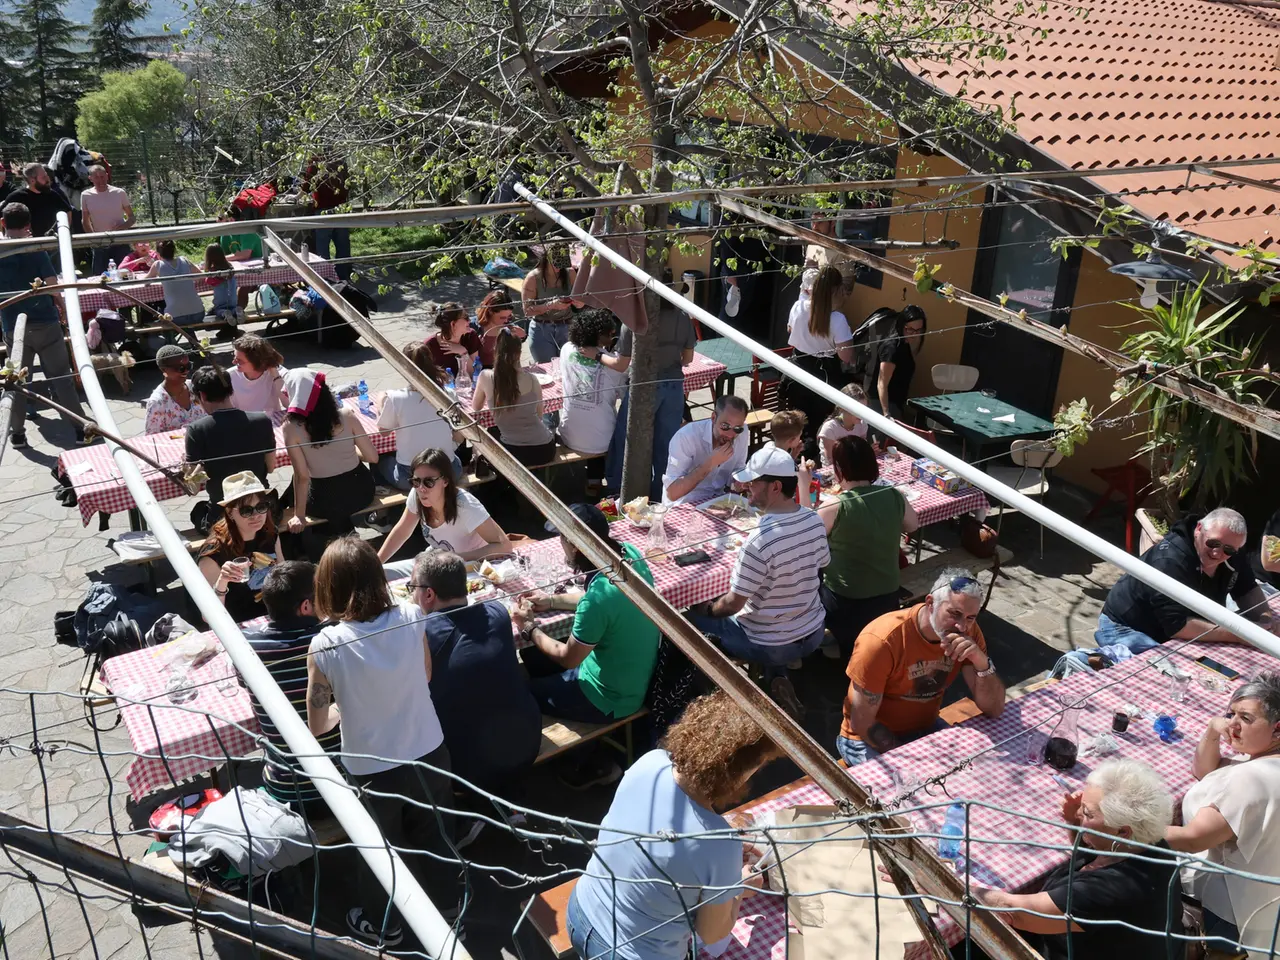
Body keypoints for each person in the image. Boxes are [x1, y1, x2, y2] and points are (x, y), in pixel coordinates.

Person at [305, 536, 454, 946]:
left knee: (380, 852)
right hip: (429, 749)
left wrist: (342, 711)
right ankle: (449, 907)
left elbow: (318, 723)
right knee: (435, 833)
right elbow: (424, 674)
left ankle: (384, 924)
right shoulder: (411, 613)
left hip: (373, 769)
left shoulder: (325, 646)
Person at [567, 691, 781, 960]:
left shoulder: (651, 762)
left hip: (580, 912)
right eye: (757, 766)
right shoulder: (719, 844)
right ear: (737, 771)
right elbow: (712, 933)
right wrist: (739, 887)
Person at [967, 759, 1183, 960]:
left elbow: (1015, 913)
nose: (1079, 812)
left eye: (1087, 813)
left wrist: (950, 884)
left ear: (1122, 831)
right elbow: (1087, 850)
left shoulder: (1107, 890)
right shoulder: (1147, 843)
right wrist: (1075, 820)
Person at [511, 502, 660, 788]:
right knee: (532, 659)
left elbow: (568, 658)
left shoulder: (598, 600)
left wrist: (528, 627)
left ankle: (590, 764)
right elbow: (603, 603)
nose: (560, 545)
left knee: (523, 689)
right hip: (632, 675)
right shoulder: (628, 555)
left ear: (575, 546)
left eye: (563, 538)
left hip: (610, 698)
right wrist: (551, 601)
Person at [688, 446, 830, 713]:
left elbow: (732, 604)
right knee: (770, 614)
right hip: (812, 633)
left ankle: (704, 699)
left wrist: (705, 608)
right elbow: (821, 565)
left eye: (753, 482)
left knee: (686, 620)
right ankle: (778, 679)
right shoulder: (813, 520)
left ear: (775, 487)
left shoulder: (759, 540)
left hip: (770, 645)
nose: (747, 487)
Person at [837, 569, 1005, 767]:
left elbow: (994, 709)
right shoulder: (881, 641)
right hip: (864, 740)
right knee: (911, 791)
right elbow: (862, 722)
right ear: (930, 603)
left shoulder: (969, 633)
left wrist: (980, 661)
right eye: (955, 614)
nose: (962, 626)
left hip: (925, 729)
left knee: (981, 766)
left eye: (970, 617)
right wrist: (915, 764)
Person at [1167, 672, 1280, 953]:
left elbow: (1192, 839)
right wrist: (1212, 729)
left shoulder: (1250, 780)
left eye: (1246, 718)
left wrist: (1124, 827)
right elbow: (1205, 771)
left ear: (1278, 730)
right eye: (1231, 714)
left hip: (1224, 912)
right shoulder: (1262, 760)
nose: (1233, 725)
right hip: (1263, 911)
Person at [410, 550, 541, 792]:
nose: (412, 594)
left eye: (412, 587)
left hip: (466, 767)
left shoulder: (422, 634)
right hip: (527, 742)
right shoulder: (497, 612)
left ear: (429, 594)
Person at [242, 560, 342, 818]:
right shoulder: (332, 640)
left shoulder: (247, 648)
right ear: (306, 606)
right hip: (342, 788)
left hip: (285, 791)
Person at [1097, 508, 1269, 653]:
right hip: (1128, 627)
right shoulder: (1169, 561)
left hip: (1179, 626)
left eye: (1229, 550)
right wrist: (1240, 635)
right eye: (1213, 543)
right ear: (1198, 529)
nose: (1217, 553)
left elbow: (1247, 589)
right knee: (1162, 671)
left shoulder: (1232, 553)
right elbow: (1177, 626)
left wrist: (1266, 619)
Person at [818, 435, 919, 656]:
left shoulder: (835, 505)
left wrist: (804, 484)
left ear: (839, 469)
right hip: (887, 595)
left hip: (846, 601)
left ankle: (822, 639)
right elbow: (913, 525)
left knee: (812, 575)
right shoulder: (894, 495)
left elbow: (805, 539)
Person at [0, 202, 89, 448]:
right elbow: (52, 284)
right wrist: (60, 306)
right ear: (28, 224)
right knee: (61, 377)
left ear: (3, 223)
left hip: (12, 326)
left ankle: (17, 433)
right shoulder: (35, 249)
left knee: (16, 381)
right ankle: (80, 428)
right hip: (45, 323)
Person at [604, 303, 697, 499]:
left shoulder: (633, 320)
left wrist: (596, 355)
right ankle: (660, 494)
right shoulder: (683, 317)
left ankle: (618, 491)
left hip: (644, 387)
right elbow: (687, 358)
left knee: (626, 438)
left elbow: (621, 365)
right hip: (673, 386)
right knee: (667, 444)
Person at [280, 369, 377, 538]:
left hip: (323, 499)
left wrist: (299, 516)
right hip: (362, 491)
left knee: (295, 493)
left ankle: (336, 536)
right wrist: (349, 450)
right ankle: (347, 533)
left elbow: (302, 476)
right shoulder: (346, 415)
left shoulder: (290, 428)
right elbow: (372, 457)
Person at [377, 447, 512, 565]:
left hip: (474, 567)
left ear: (445, 481)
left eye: (429, 482)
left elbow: (504, 546)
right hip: (437, 561)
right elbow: (402, 532)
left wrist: (457, 558)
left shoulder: (465, 506)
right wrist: (377, 563)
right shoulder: (416, 494)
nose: (421, 488)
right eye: (416, 481)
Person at [186, 364, 277, 521]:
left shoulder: (197, 429)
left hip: (225, 516)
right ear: (231, 390)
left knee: (198, 512)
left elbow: (193, 487)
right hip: (262, 510)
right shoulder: (262, 420)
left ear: (202, 396)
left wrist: (186, 468)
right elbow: (271, 467)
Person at [196, 470, 282, 622]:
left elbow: (283, 575)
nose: (256, 516)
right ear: (229, 513)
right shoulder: (214, 553)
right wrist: (222, 581)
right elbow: (208, 617)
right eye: (246, 510)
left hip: (273, 618)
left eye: (261, 507)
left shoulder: (270, 534)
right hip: (238, 626)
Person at [377, 341, 461, 488]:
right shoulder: (449, 394)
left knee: (380, 460)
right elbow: (459, 434)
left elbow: (384, 432)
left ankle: (387, 505)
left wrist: (380, 406)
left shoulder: (396, 398)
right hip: (449, 472)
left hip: (411, 477)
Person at [785, 265, 855, 438]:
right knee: (818, 426)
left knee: (797, 423)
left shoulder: (798, 306)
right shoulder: (838, 319)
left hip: (798, 369)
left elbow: (790, 329)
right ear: (838, 291)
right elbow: (846, 357)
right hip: (824, 374)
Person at [557, 309, 626, 482]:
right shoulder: (615, 366)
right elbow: (624, 395)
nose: (613, 338)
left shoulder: (566, 350)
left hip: (569, 434)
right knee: (612, 423)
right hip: (602, 440)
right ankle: (601, 482)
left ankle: (593, 481)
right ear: (597, 336)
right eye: (610, 334)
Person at [471, 328, 556, 466]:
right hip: (544, 449)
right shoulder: (532, 379)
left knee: (487, 435)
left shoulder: (486, 376)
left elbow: (476, 407)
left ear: (496, 350)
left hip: (512, 452)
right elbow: (539, 416)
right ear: (519, 354)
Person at [661, 395, 751, 504]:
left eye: (737, 428)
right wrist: (709, 464)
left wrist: (739, 481)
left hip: (717, 499)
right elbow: (672, 493)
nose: (731, 434)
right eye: (725, 426)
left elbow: (738, 470)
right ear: (713, 418)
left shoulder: (742, 432)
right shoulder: (686, 436)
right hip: (684, 502)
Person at [522, 246, 579, 363]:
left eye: (562, 263)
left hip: (567, 326)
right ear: (546, 259)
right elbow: (527, 311)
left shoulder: (570, 273)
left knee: (569, 367)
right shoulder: (533, 278)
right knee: (546, 368)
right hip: (542, 329)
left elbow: (580, 305)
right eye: (556, 263)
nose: (559, 267)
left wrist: (578, 301)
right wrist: (550, 305)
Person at [300, 156, 352, 280]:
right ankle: (344, 277)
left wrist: (296, 197)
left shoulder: (314, 163)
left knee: (323, 246)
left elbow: (307, 186)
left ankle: (326, 278)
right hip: (341, 209)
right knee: (343, 245)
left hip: (323, 210)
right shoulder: (341, 161)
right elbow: (349, 184)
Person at [872, 305, 926, 421]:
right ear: (901, 326)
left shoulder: (905, 343)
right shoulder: (892, 348)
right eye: (909, 329)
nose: (914, 334)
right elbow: (882, 384)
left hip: (896, 403)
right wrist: (886, 414)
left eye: (918, 330)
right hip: (883, 405)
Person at [80, 165, 134, 275]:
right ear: (90, 178)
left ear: (107, 176)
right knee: (100, 277)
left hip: (120, 241)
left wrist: (122, 227)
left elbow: (132, 217)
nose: (100, 180)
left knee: (125, 274)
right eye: (96, 177)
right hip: (100, 243)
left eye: (102, 176)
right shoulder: (85, 195)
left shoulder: (119, 193)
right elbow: (85, 220)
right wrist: (94, 239)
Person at [143, 345, 205, 434]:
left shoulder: (195, 387)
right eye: (180, 368)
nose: (186, 371)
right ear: (163, 369)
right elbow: (152, 438)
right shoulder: (158, 403)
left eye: (188, 366)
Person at [145, 239, 206, 327]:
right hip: (198, 314)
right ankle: (191, 338)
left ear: (158, 254)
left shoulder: (157, 264)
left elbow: (146, 283)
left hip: (175, 317)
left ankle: (170, 339)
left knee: (158, 313)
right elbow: (201, 276)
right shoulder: (184, 260)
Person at [229, 333, 287, 421]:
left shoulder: (277, 372)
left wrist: (276, 376)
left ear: (258, 361)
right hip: (241, 424)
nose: (234, 362)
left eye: (239, 361)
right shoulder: (229, 376)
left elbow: (288, 404)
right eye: (234, 357)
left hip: (270, 422)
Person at [6, 163, 71, 238]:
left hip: (50, 242)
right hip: (25, 244)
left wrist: (63, 231)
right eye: (43, 177)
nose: (48, 179)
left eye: (46, 175)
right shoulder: (16, 197)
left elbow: (67, 211)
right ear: (32, 181)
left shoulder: (52, 195)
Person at [817, 383, 870, 474]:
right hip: (833, 473)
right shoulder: (830, 428)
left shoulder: (862, 424)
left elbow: (860, 452)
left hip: (855, 469)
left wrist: (870, 451)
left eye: (864, 409)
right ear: (842, 407)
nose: (862, 414)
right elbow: (830, 460)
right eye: (857, 409)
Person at [424, 301, 482, 381]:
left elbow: (475, 374)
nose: (469, 320)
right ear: (453, 324)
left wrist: (463, 352)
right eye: (466, 317)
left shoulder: (470, 336)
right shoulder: (429, 345)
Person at [474, 289, 525, 368]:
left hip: (505, 370)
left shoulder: (509, 327)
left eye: (509, 316)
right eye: (502, 317)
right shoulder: (475, 327)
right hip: (481, 372)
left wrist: (522, 335)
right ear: (490, 311)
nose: (506, 320)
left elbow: (521, 337)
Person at [203, 244, 239, 323]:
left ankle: (224, 313)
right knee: (232, 308)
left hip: (221, 303)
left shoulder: (213, 273)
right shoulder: (230, 268)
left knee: (217, 310)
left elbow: (207, 281)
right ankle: (237, 311)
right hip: (233, 301)